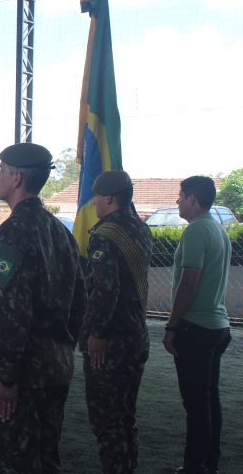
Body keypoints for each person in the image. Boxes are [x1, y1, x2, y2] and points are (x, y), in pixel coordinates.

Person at [0, 143, 86, 474]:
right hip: (57, 364)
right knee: (47, 457)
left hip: (24, 373)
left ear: (16, 177)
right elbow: (80, 302)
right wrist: (61, 346)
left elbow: (10, 312)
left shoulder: (13, 233)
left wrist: (7, 374)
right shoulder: (60, 232)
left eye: (1, 169)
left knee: (15, 459)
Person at [80, 170, 152, 474]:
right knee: (125, 417)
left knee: (107, 421)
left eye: (97, 196)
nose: (95, 202)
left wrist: (97, 332)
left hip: (110, 342)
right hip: (135, 334)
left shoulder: (105, 236)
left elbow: (105, 289)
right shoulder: (140, 229)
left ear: (108, 198)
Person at [163, 176, 232, 474]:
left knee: (196, 404)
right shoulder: (218, 230)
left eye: (180, 195)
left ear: (193, 199)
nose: (177, 201)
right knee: (208, 398)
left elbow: (189, 284)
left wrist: (172, 326)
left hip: (196, 329)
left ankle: (194, 467)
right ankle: (209, 463)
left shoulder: (195, 232)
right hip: (218, 327)